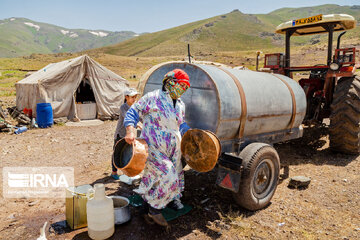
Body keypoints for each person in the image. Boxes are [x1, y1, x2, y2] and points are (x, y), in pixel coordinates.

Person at [124, 69, 191, 226]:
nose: (183, 90)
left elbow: (180, 124)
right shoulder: (152, 98)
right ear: (170, 82)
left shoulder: (181, 104)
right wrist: (130, 130)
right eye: (182, 86)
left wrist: (190, 133)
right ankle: (155, 209)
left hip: (174, 149)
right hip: (154, 147)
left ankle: (146, 206)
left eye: (186, 87)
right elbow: (133, 112)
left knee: (156, 178)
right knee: (169, 177)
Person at [111, 88, 139, 180]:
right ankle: (114, 172)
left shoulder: (136, 106)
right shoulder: (123, 107)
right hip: (121, 133)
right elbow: (128, 118)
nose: (134, 99)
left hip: (129, 135)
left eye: (135, 97)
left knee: (127, 152)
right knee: (116, 152)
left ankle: (126, 170)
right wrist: (139, 125)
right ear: (126, 97)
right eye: (132, 97)